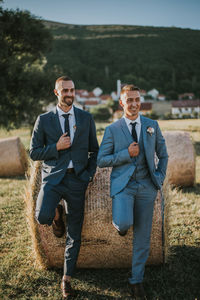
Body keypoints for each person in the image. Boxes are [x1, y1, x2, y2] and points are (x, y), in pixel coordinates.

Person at [30, 75, 99, 299]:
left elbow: (94, 151)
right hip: (53, 178)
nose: (69, 94)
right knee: (42, 217)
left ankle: (66, 279)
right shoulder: (44, 119)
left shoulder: (86, 118)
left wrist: (88, 174)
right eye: (65, 90)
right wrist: (56, 147)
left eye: (72, 90)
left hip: (77, 180)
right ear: (56, 92)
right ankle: (57, 214)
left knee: (75, 233)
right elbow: (34, 152)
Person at [97, 84, 168, 299]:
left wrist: (159, 178)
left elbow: (163, 156)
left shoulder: (152, 125)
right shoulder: (112, 130)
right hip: (123, 187)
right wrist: (125, 154)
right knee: (125, 223)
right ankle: (121, 225)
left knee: (143, 238)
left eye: (137, 99)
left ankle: (136, 281)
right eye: (129, 100)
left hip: (147, 186)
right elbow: (101, 160)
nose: (134, 104)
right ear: (122, 103)